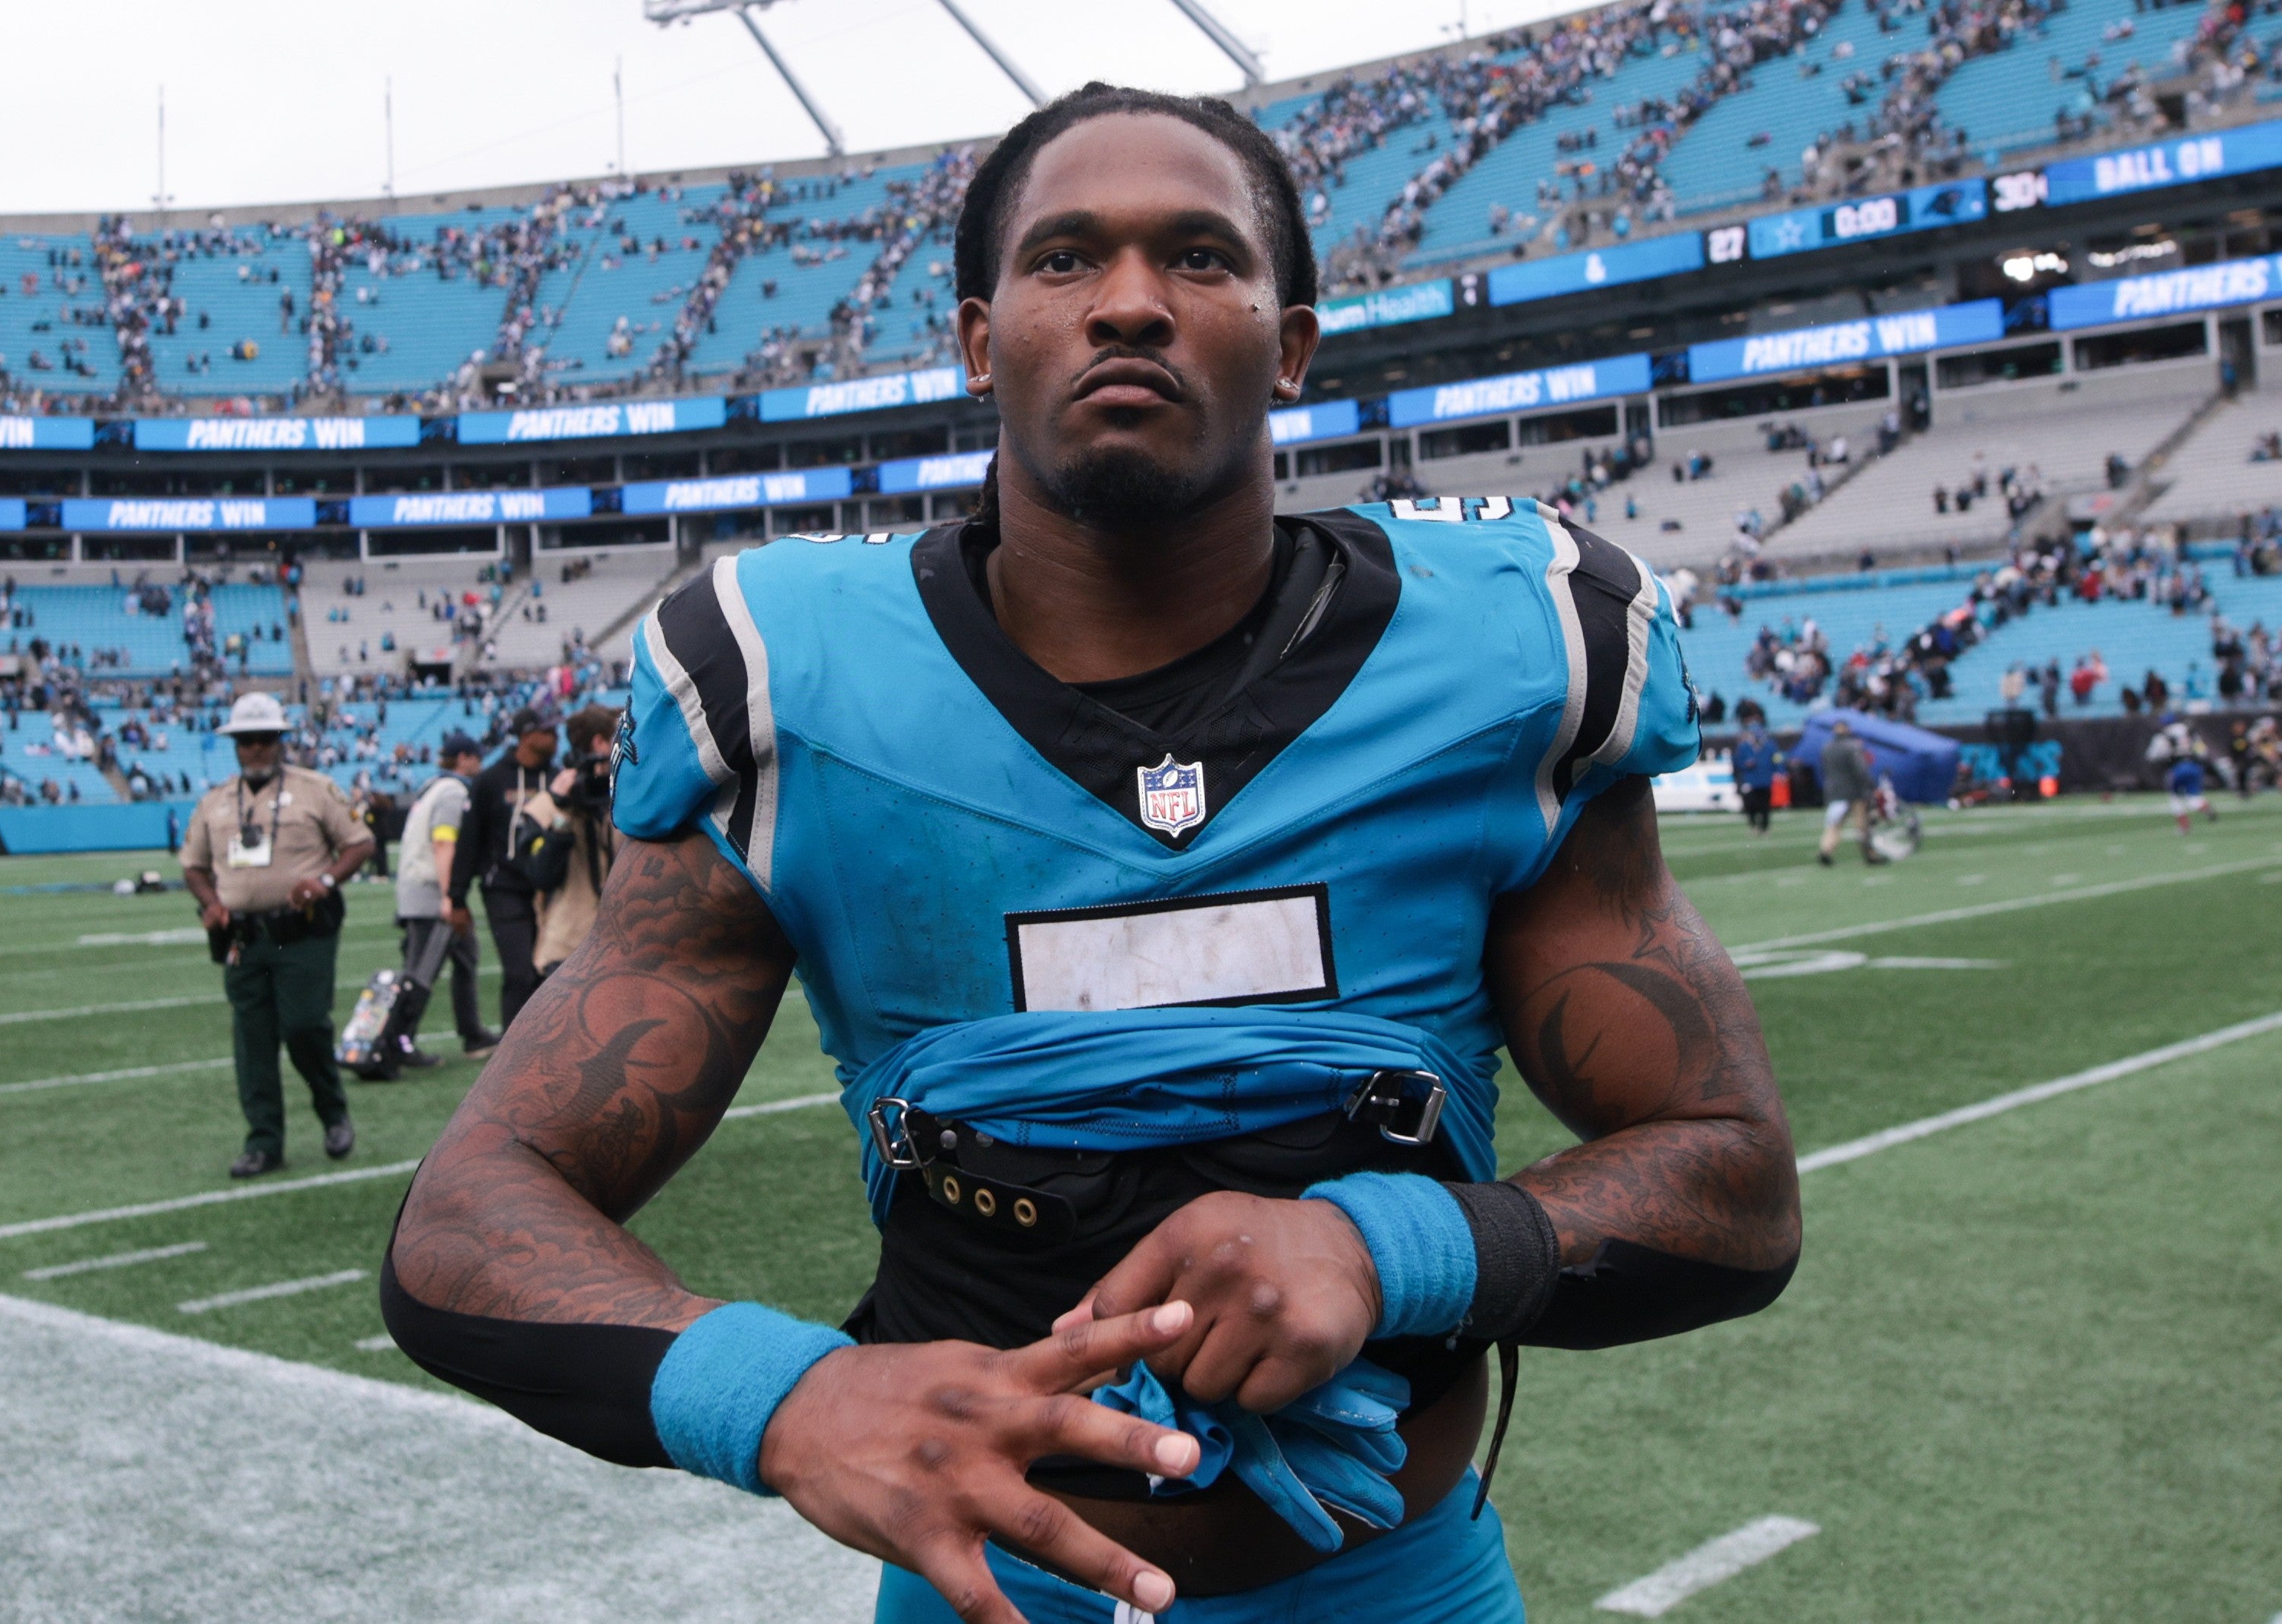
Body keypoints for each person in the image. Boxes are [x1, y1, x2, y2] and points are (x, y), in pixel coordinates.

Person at [384, 86, 1800, 1624]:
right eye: (1066, 259)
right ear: (983, 341)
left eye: (1198, 257)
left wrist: (1389, 1243)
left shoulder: (1509, 655)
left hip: (1390, 1581)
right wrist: (783, 1394)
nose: (1130, 302)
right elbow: (468, 1211)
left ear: (1292, 340)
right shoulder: (791, 685)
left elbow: (1730, 1176)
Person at [178, 690, 374, 1179]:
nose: (256, 749)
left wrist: (325, 881)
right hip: (243, 937)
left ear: (281, 740)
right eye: (247, 741)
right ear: (235, 745)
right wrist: (211, 905)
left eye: (265, 738)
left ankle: (332, 1111)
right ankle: (264, 1141)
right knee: (253, 1040)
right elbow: (193, 866)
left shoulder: (317, 789)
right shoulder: (215, 801)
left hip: (301, 931)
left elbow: (360, 841)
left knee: (305, 1025)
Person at [445, 706, 560, 1029]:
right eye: (547, 731)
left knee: (552, 972)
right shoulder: (490, 781)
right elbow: (468, 841)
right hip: (504, 887)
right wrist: (457, 898)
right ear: (526, 735)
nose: (555, 737)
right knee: (520, 971)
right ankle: (514, 1055)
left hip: (552, 889)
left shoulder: (558, 778)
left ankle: (546, 1046)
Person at [393, 730, 502, 1062]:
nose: (481, 764)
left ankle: (472, 1034)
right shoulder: (453, 793)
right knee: (422, 972)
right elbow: (444, 843)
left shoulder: (432, 788)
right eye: (477, 757)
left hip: (422, 887)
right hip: (432, 892)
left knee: (466, 957)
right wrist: (448, 897)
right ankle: (398, 1041)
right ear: (464, 759)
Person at [514, 704, 619, 980]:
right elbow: (540, 876)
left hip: (621, 948)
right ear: (599, 743)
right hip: (568, 950)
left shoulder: (626, 799)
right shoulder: (546, 807)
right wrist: (562, 815)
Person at [1817, 719, 1880, 866]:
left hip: (1834, 791)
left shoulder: (1827, 748)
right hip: (1855, 791)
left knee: (1834, 825)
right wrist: (1871, 786)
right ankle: (1870, 854)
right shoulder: (1853, 747)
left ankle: (1826, 850)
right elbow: (1861, 770)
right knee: (1862, 825)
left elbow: (1824, 769)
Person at [1731, 719, 1785, 834]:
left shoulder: (1770, 746)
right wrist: (1746, 764)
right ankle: (1753, 825)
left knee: (1765, 805)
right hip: (1751, 780)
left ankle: (1764, 827)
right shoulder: (1744, 747)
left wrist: (1780, 771)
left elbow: (1777, 759)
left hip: (1765, 780)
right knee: (1751, 804)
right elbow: (1737, 763)